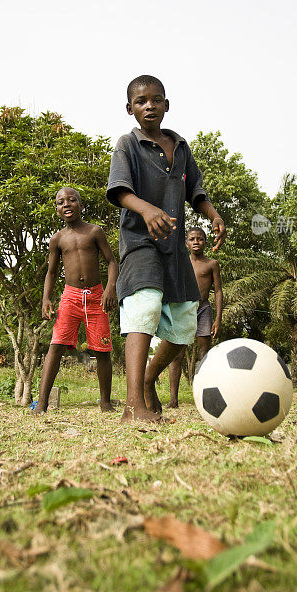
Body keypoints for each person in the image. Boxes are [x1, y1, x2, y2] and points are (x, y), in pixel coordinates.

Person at [107, 75, 226, 422]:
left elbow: (196, 191)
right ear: (130, 109)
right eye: (141, 101)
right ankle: (133, 406)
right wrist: (145, 209)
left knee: (185, 325)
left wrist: (212, 213)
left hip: (174, 250)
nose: (150, 106)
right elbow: (119, 190)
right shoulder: (127, 145)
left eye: (156, 100)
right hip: (140, 243)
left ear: (166, 105)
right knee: (143, 310)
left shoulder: (182, 147)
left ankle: (147, 378)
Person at [35, 187, 118, 413]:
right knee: (57, 345)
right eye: (61, 202)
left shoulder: (94, 232)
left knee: (102, 349)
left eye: (72, 200)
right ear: (57, 210)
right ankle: (41, 403)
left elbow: (112, 262)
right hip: (70, 297)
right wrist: (46, 299)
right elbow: (51, 273)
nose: (67, 205)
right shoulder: (58, 239)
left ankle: (105, 402)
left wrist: (110, 288)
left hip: (96, 297)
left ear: (81, 205)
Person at [167, 227, 223, 407]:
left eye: (200, 239)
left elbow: (218, 291)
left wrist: (218, 318)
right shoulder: (182, 263)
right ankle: (173, 400)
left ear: (206, 242)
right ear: (187, 243)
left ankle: (205, 398)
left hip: (204, 309)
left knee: (204, 354)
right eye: (192, 239)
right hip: (183, 309)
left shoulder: (212, 264)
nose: (196, 242)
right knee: (176, 354)